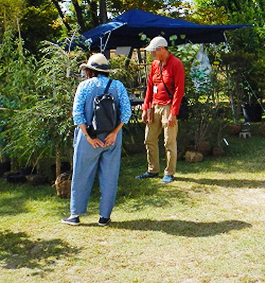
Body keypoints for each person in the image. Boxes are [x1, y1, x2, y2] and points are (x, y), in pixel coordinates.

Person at [62, 53, 132, 226]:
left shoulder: (84, 86)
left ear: (90, 71)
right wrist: (115, 133)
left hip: (89, 138)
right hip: (112, 138)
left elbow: (78, 115)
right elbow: (126, 113)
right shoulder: (118, 86)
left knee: (81, 174)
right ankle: (104, 217)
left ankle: (75, 215)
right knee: (109, 176)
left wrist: (88, 137)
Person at [137, 36, 185, 184]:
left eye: (154, 51)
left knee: (169, 141)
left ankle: (169, 173)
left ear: (162, 49)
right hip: (155, 105)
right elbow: (150, 87)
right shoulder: (154, 65)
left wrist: (173, 112)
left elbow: (179, 89)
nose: (152, 54)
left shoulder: (176, 64)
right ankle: (153, 170)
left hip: (168, 106)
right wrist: (146, 108)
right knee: (149, 139)